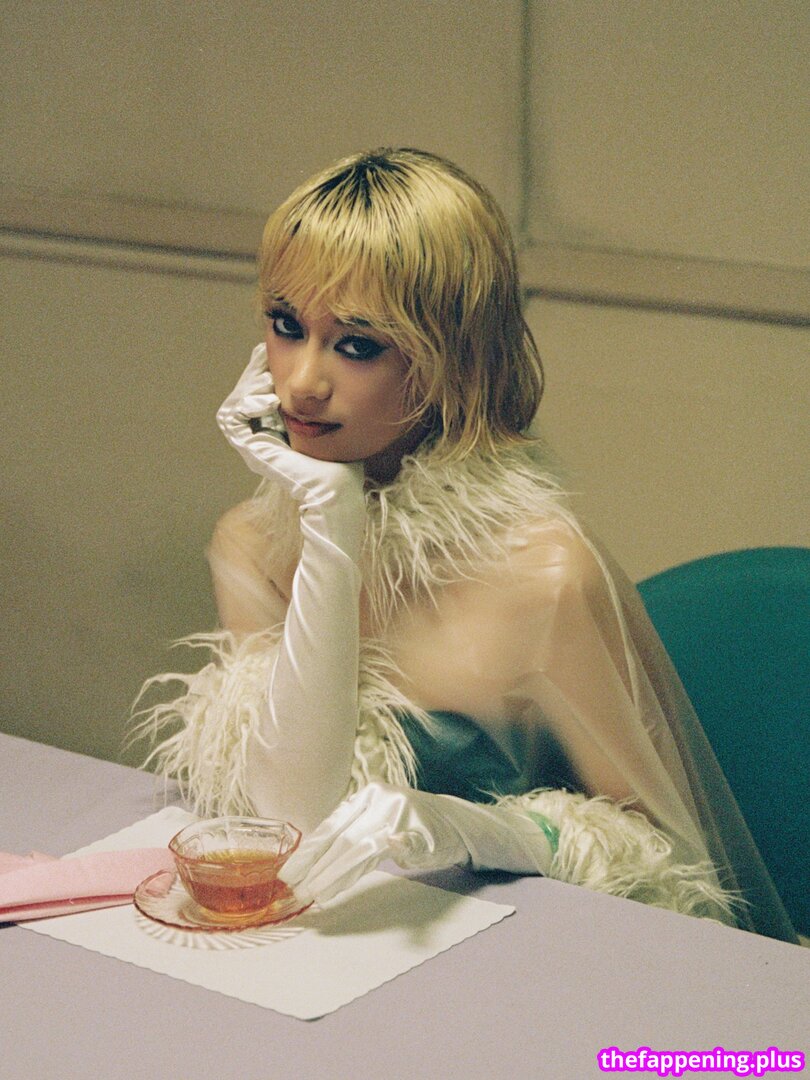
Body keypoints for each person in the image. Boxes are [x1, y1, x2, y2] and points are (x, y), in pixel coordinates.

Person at [134, 148, 796, 942]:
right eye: (286, 326)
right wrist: (333, 525)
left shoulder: (542, 576)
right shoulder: (252, 545)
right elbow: (292, 816)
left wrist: (476, 829)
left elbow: (670, 871)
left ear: (453, 359)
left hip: (537, 954)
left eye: (358, 344)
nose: (302, 381)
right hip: (345, 950)